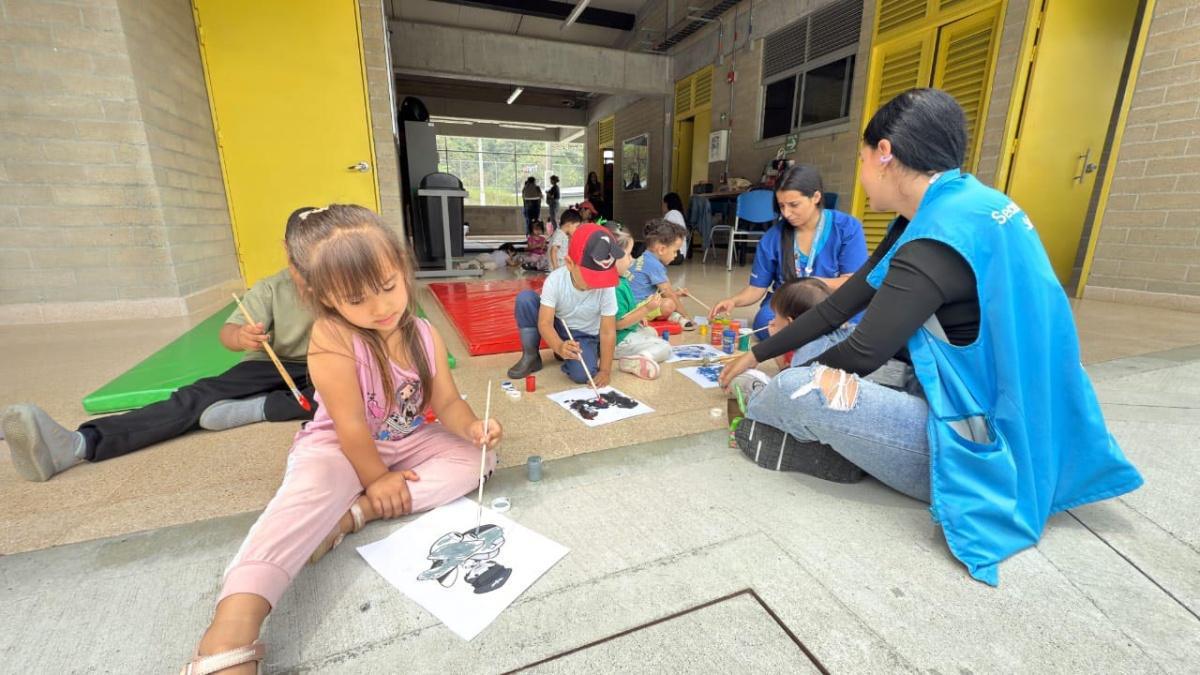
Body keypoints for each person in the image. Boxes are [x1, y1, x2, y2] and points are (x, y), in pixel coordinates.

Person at [719, 88, 1142, 585]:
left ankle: (767, 412)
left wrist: (777, 378)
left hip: (978, 449)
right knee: (817, 349)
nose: (860, 174)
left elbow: (864, 350)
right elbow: (841, 304)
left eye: (861, 159)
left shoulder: (934, 239)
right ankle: (831, 444)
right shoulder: (964, 205)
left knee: (799, 386)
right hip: (1003, 407)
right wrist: (759, 351)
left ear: (885, 154)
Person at [181, 204, 502, 673]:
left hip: (407, 438)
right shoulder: (331, 337)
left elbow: (448, 401)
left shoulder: (424, 333)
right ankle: (231, 627)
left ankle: (358, 513)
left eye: (388, 286)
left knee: (478, 460)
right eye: (356, 299)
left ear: (402, 266)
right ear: (324, 297)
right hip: (338, 446)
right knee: (301, 504)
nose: (380, 307)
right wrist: (376, 478)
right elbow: (350, 426)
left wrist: (473, 427)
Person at [0, 207, 320, 483]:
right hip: (269, 362)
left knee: (344, 397)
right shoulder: (270, 288)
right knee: (196, 396)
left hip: (330, 363)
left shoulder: (344, 278)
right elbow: (228, 332)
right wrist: (241, 337)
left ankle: (258, 408)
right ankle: (78, 444)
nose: (308, 273)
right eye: (299, 261)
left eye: (318, 259)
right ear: (285, 249)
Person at [709, 165, 868, 337]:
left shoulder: (847, 228)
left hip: (832, 300)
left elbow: (852, 282)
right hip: (789, 303)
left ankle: (799, 337)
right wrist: (733, 301)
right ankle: (817, 337)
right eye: (781, 206)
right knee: (765, 322)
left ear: (816, 197)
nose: (786, 213)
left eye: (794, 205)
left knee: (857, 322)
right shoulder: (772, 237)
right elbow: (756, 288)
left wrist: (810, 284)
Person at [505, 223, 624, 384]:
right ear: (569, 264)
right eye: (591, 277)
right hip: (558, 325)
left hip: (584, 334)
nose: (598, 283)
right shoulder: (555, 280)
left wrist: (605, 370)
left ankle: (569, 353)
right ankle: (531, 356)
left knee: (582, 375)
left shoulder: (606, 287)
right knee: (526, 300)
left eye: (602, 277)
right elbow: (545, 323)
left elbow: (608, 331)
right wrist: (558, 345)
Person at [612, 231, 671, 379]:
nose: (632, 259)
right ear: (613, 258)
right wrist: (646, 309)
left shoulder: (622, 280)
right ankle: (641, 359)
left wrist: (639, 316)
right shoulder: (615, 287)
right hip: (617, 341)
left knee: (651, 332)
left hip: (623, 335)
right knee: (665, 347)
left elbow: (627, 311)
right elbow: (617, 324)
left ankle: (637, 355)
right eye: (628, 254)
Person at [627, 219, 694, 330]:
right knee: (669, 304)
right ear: (662, 249)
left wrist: (676, 294)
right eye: (675, 251)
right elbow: (669, 294)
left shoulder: (646, 257)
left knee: (670, 300)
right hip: (636, 308)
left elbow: (656, 291)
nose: (676, 255)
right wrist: (686, 316)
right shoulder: (654, 265)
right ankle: (644, 318)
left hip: (632, 304)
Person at [662, 192, 689, 260]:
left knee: (643, 248)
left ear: (667, 203)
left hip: (676, 255)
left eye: (663, 203)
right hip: (679, 255)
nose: (662, 206)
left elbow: (665, 235)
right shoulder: (677, 214)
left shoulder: (672, 214)